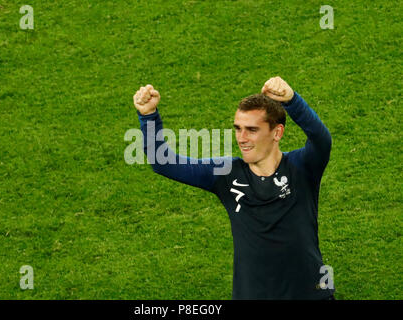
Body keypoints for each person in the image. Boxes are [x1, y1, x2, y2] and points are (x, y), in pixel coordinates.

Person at [133, 77, 335, 300]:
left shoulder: (301, 167)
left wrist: (292, 100)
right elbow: (164, 163)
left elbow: (321, 140)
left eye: (251, 130)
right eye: (238, 129)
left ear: (277, 133)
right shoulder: (227, 173)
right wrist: (148, 116)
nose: (242, 138)